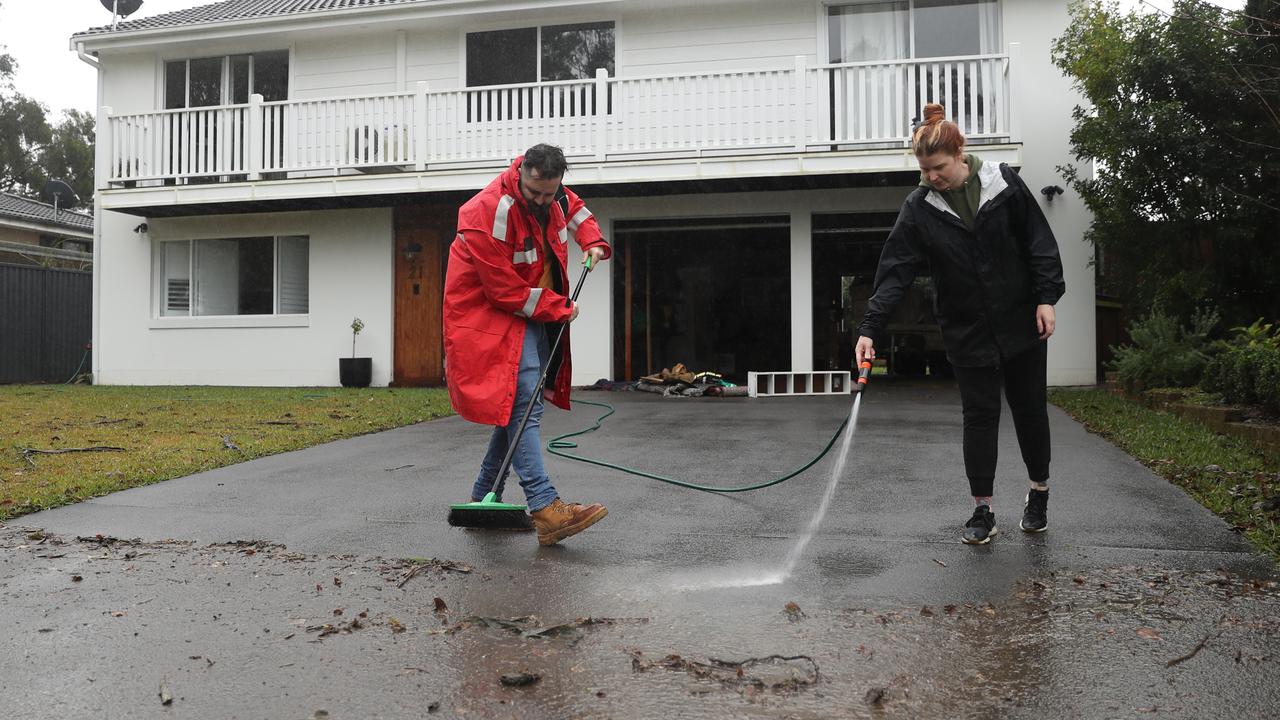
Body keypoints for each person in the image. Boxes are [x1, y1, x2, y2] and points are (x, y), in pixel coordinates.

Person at [855, 104, 1065, 545]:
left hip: (1020, 321)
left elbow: (1038, 242)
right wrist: (870, 328)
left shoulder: (1004, 184)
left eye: (938, 167)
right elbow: (895, 272)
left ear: (960, 153)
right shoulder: (919, 208)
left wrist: (1046, 298)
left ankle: (1039, 492)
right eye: (924, 169)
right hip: (966, 328)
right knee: (980, 417)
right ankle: (982, 509)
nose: (932, 177)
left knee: (1029, 411)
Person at [443, 143, 611, 546]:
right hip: (487, 317)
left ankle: (484, 495)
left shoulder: (554, 196)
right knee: (523, 408)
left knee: (518, 406)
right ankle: (545, 506)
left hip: (527, 313)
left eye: (548, 194)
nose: (540, 200)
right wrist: (558, 306)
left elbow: (575, 210)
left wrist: (592, 241)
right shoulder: (484, 212)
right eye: (534, 192)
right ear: (521, 171)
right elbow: (502, 290)